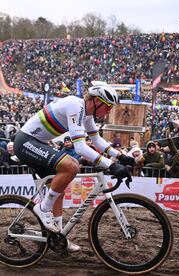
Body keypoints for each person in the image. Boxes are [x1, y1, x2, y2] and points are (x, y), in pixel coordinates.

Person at [13, 81, 134, 252]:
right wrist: (111, 165)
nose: (109, 111)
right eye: (107, 106)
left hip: (38, 143)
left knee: (58, 191)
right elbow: (80, 147)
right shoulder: (75, 105)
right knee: (72, 166)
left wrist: (120, 156)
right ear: (95, 100)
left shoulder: (87, 116)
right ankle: (43, 208)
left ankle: (57, 237)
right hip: (25, 142)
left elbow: (96, 140)